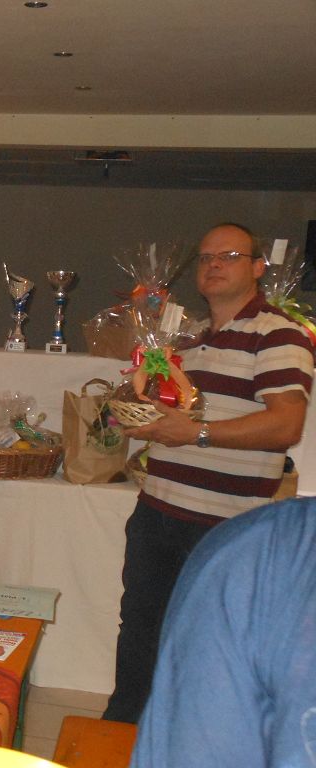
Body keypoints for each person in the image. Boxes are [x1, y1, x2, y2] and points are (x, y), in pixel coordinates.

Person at [103, 222, 315, 723]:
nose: (214, 264)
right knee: (140, 634)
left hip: (226, 526)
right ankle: (122, 737)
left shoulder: (279, 333)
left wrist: (195, 434)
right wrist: (138, 415)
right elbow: (172, 416)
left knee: (210, 647)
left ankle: (193, 744)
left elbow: (286, 425)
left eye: (230, 256)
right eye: (205, 258)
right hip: (157, 512)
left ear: (257, 267)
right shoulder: (186, 338)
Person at [132, 497, 316, 767]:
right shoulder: (263, 554)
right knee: (141, 635)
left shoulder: (268, 552)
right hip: (167, 506)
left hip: (221, 514)